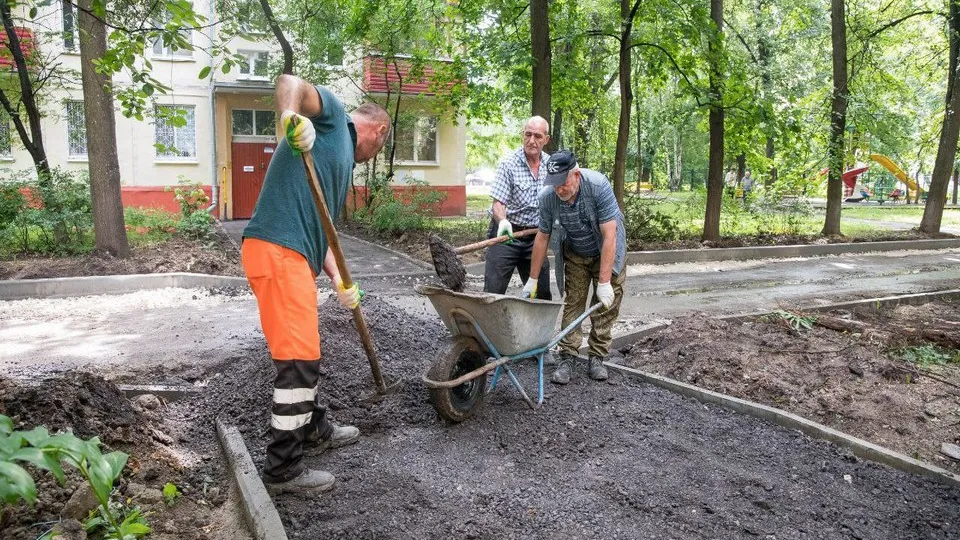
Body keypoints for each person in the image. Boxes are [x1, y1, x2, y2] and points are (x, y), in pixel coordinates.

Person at [241, 74, 390, 494]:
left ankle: (312, 427)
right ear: (378, 130)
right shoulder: (336, 121)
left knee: (303, 352)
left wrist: (340, 279)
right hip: (277, 249)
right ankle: (282, 469)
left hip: (294, 255)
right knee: (298, 360)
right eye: (379, 148)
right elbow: (290, 81)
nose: (372, 157)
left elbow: (321, 229)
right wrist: (290, 115)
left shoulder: (335, 161)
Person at [524, 149, 627, 384]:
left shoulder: (598, 186)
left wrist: (604, 282)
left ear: (576, 175)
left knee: (605, 305)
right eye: (554, 184)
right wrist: (531, 279)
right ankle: (568, 356)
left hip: (606, 249)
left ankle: (597, 357)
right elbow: (542, 236)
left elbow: (610, 235)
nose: (559, 189)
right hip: (576, 253)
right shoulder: (548, 197)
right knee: (573, 303)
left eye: (563, 183)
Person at [483, 116, 552, 300]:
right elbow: (498, 203)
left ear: (546, 139)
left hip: (536, 238)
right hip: (507, 235)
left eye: (537, 136)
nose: (532, 140)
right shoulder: (509, 164)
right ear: (523, 135)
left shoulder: (551, 166)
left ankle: (538, 329)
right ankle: (488, 328)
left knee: (542, 293)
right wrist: (503, 221)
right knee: (493, 292)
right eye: (528, 134)